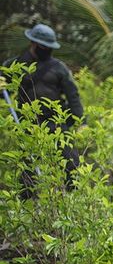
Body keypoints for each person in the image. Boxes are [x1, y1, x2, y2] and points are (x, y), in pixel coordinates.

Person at [3, 23, 83, 188]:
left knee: (72, 166)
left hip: (55, 123)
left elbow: (73, 97)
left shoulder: (59, 68)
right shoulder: (15, 65)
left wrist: (76, 121)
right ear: (33, 43)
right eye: (42, 46)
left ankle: (72, 202)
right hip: (27, 124)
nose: (45, 50)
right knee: (28, 170)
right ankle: (29, 206)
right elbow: (3, 88)